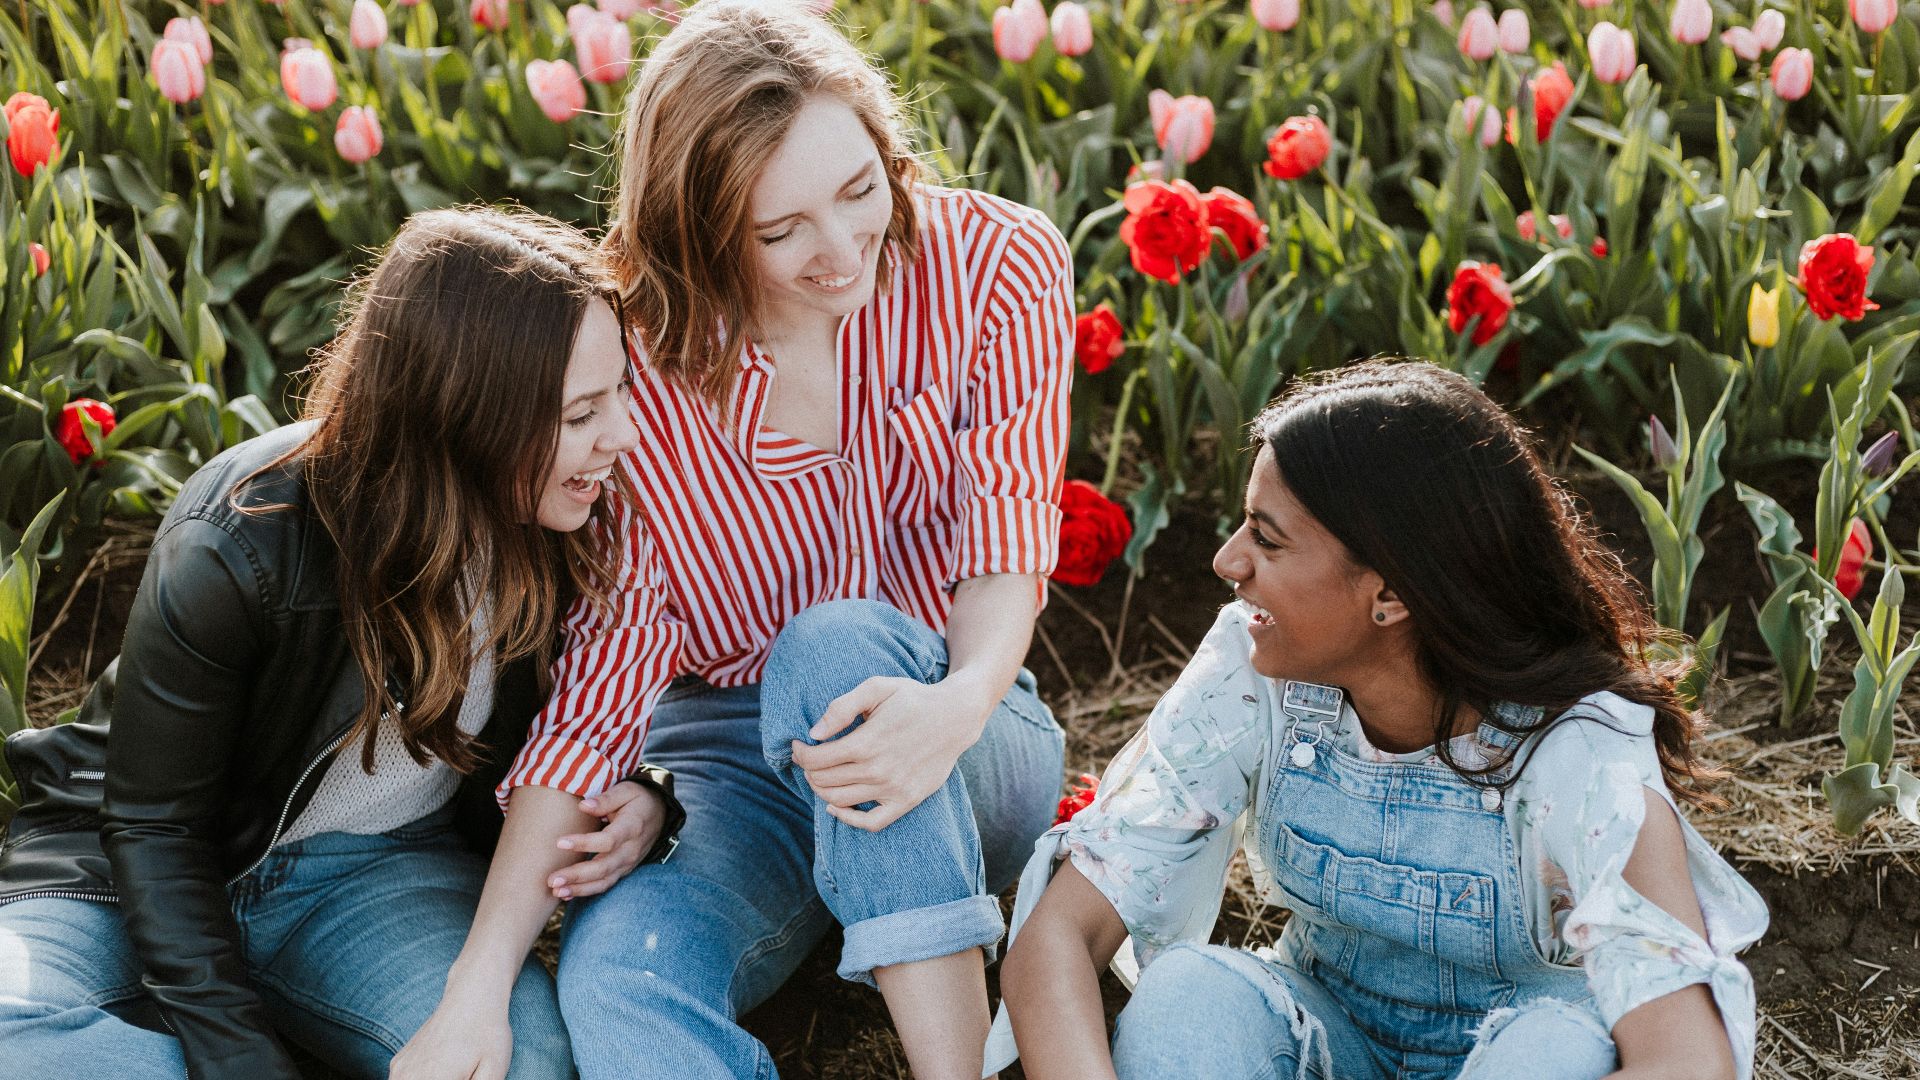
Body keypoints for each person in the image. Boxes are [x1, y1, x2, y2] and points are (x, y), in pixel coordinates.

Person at [398, 2, 1074, 1077]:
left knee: (837, 645)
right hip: (740, 761)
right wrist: (478, 987)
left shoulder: (996, 266)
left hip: (964, 728)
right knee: (620, 979)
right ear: (699, 229)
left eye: (862, 190)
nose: (844, 248)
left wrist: (954, 704)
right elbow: (601, 686)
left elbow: (1007, 541)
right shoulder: (645, 370)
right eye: (780, 230)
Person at [0, 207, 683, 1080]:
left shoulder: (577, 527)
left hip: (372, 877)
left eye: (617, 393)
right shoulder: (240, 540)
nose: (620, 435)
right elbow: (154, 827)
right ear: (464, 415)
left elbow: (604, 710)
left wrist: (648, 792)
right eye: (582, 412)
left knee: (521, 1065)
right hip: (129, 871)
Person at [997, 361, 1769, 1080]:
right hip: (1328, 1039)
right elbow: (1058, 939)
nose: (1228, 562)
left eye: (1267, 539)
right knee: (1189, 999)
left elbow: (1687, 1061)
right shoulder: (1255, 672)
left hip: (1521, 1050)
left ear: (1391, 594)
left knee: (1552, 1052)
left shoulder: (1579, 749)